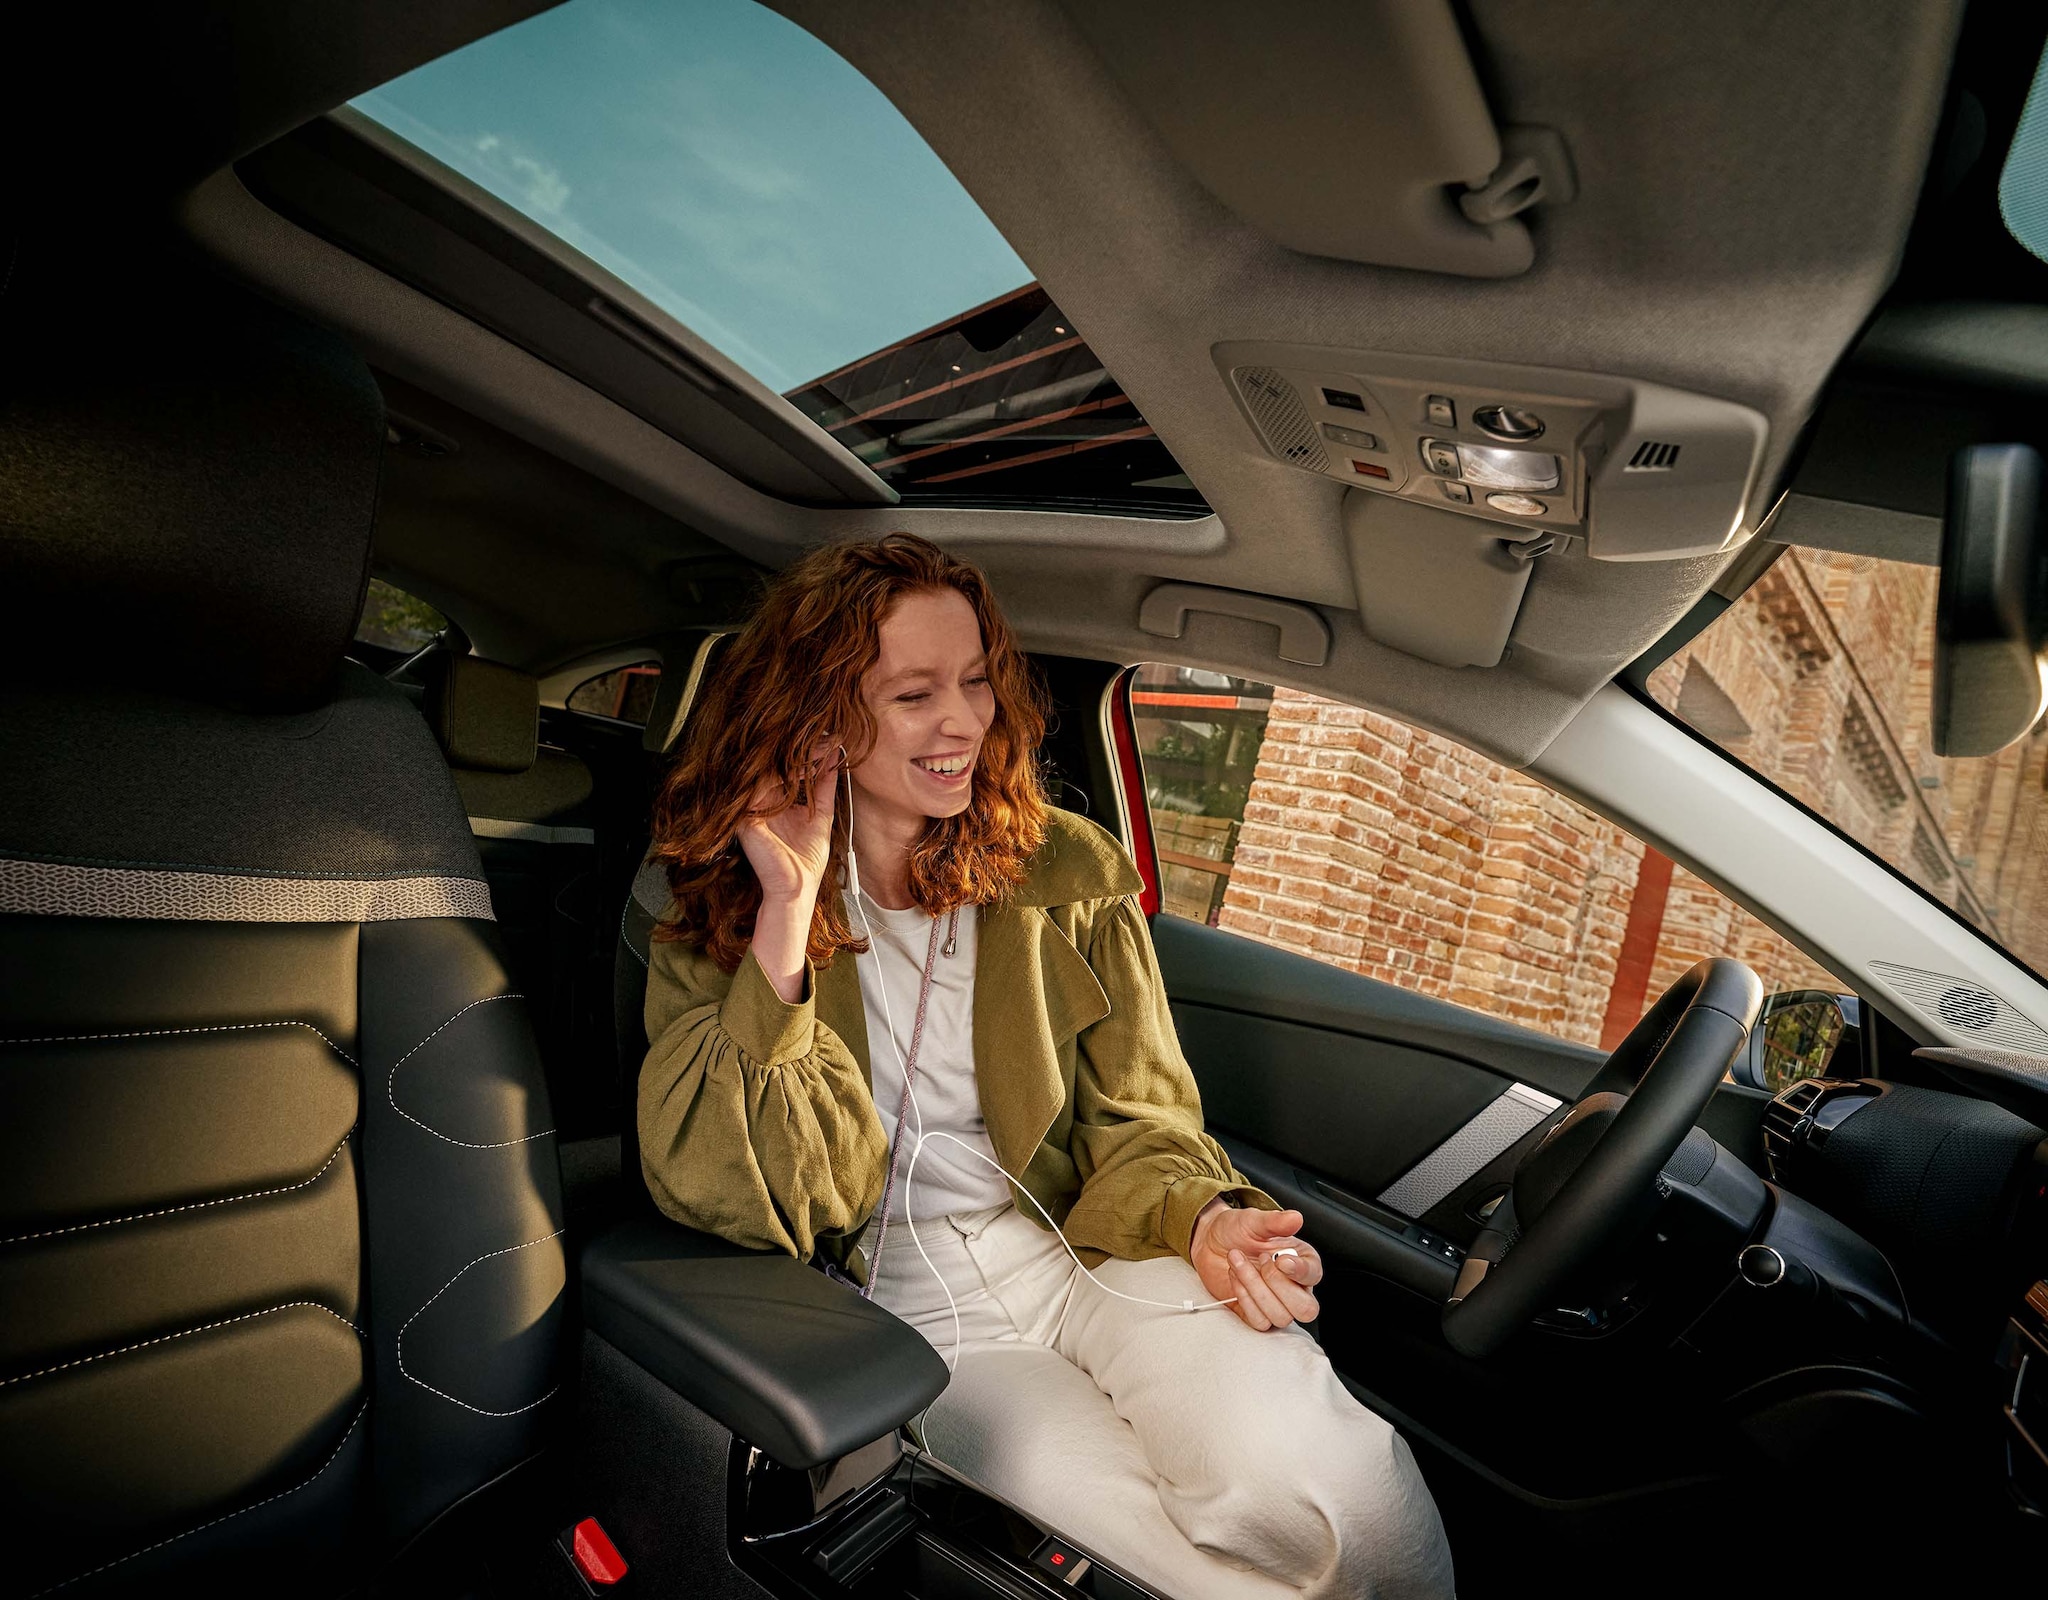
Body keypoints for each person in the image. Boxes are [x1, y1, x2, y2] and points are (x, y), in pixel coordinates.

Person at [639, 533, 1455, 1600]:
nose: (962, 721)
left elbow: (1145, 1114)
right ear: (819, 714)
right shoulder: (718, 910)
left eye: (977, 681)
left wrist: (1203, 1218)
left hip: (1091, 1246)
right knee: (1164, 1570)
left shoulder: (1062, 870)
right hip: (912, 1315)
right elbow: (728, 1190)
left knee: (1344, 1494)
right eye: (913, 693)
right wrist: (788, 915)